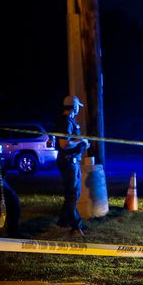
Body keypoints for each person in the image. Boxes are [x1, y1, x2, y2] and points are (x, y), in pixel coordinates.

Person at [55, 95, 89, 236]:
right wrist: (81, 141)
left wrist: (81, 142)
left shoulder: (67, 121)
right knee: (73, 195)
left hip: (70, 160)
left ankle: (63, 221)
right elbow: (65, 143)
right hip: (69, 161)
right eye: (77, 107)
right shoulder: (66, 122)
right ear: (74, 107)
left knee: (72, 193)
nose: (78, 109)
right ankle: (76, 226)